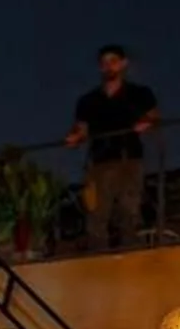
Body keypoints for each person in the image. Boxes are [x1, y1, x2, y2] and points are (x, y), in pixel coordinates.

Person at [64, 44, 159, 247]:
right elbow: (81, 129)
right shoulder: (88, 100)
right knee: (96, 216)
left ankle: (131, 260)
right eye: (104, 63)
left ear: (123, 64)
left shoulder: (139, 93)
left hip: (129, 159)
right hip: (98, 162)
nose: (109, 66)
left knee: (129, 213)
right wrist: (74, 137)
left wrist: (146, 123)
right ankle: (98, 262)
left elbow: (153, 117)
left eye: (113, 61)